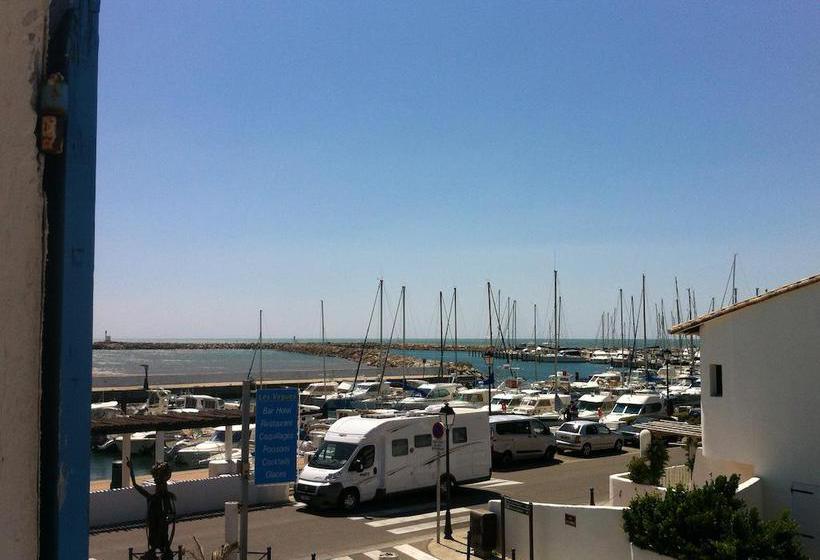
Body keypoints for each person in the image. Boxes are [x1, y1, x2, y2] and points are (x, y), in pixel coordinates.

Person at [127, 458, 177, 559]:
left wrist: (167, 519)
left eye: (162, 485)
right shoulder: (153, 499)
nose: (160, 487)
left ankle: (160, 551)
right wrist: (131, 469)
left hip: (163, 536)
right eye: (159, 485)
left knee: (165, 549)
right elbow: (136, 485)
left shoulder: (165, 499)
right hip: (155, 533)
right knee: (157, 547)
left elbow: (172, 514)